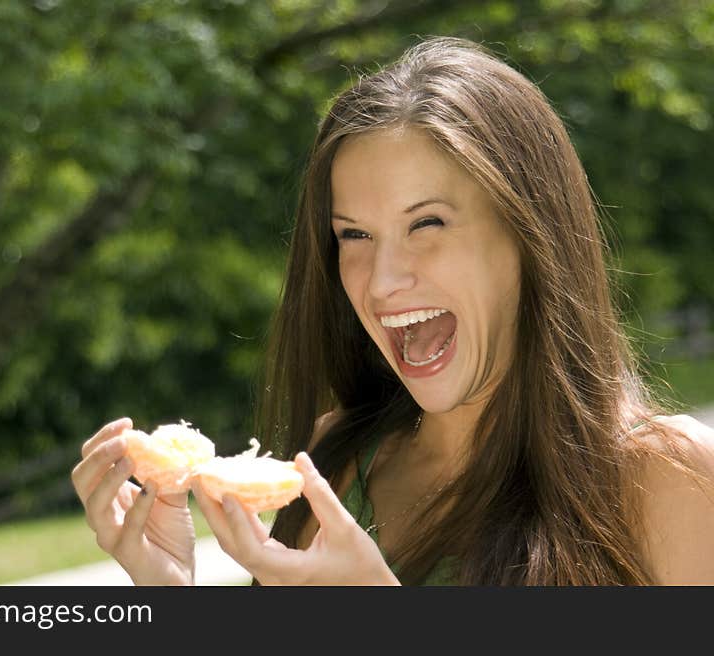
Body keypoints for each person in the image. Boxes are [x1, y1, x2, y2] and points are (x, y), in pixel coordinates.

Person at [70, 36, 714, 585]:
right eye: (353, 235)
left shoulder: (669, 481)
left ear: (530, 235)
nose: (381, 283)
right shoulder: (335, 461)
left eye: (426, 223)